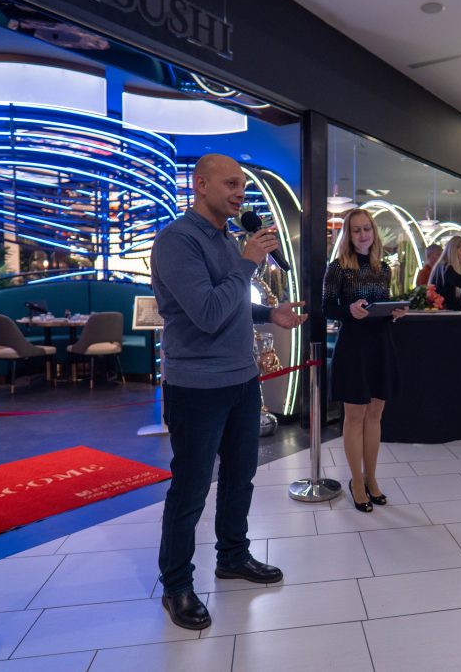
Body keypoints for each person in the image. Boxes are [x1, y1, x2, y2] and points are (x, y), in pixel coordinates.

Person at [151, 154, 307, 630]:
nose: (241, 193)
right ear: (200, 185)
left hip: (240, 380)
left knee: (241, 477)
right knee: (191, 488)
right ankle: (177, 585)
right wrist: (248, 262)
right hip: (196, 387)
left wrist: (268, 314)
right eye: (231, 184)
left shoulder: (226, 238)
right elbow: (207, 313)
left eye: (242, 185)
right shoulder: (177, 240)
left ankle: (233, 556)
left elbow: (231, 302)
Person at [323, 208, 406, 514]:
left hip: (381, 345)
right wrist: (349, 310)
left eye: (366, 229)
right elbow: (327, 308)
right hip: (353, 347)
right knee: (355, 417)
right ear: (349, 235)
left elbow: (382, 305)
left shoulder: (382, 268)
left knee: (375, 415)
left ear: (374, 232)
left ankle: (371, 479)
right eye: (356, 230)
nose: (362, 234)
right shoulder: (337, 268)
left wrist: (394, 312)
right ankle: (356, 482)